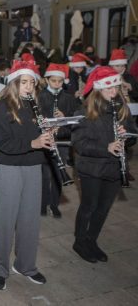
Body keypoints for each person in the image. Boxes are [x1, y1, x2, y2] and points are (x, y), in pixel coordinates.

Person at [0, 61, 49, 291]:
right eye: (24, 82)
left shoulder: (38, 104)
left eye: (32, 82)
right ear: (14, 83)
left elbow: (40, 132)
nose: (28, 87)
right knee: (5, 219)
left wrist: (50, 132)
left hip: (34, 165)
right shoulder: (2, 106)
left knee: (30, 220)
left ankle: (26, 265)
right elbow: (3, 143)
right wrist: (32, 142)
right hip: (11, 167)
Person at [71, 66, 137, 263]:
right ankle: (80, 242)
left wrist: (127, 136)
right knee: (89, 206)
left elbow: (133, 133)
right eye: (109, 88)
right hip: (91, 168)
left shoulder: (121, 106)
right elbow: (79, 144)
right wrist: (105, 148)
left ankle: (92, 240)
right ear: (99, 89)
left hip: (114, 167)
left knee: (103, 208)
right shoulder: (84, 111)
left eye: (115, 87)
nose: (113, 92)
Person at [38, 64, 77, 218]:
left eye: (60, 81)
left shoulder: (68, 98)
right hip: (45, 140)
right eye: (53, 81)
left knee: (58, 175)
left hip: (61, 141)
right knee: (45, 175)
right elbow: (36, 119)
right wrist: (47, 126)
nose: (56, 84)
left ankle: (54, 204)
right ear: (47, 80)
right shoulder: (40, 96)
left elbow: (74, 121)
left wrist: (63, 118)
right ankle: (42, 204)